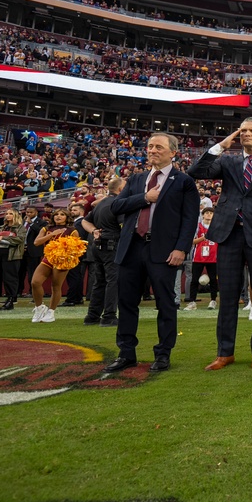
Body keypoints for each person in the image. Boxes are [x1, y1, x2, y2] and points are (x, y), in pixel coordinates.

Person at [188, 117, 252, 371]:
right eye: (242, 131)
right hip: (229, 235)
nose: (246, 134)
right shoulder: (228, 161)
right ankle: (225, 353)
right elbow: (196, 173)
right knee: (228, 295)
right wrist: (220, 146)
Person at [103, 132, 200, 373]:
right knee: (126, 303)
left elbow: (190, 220)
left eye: (158, 147)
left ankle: (163, 353)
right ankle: (126, 353)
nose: (152, 150)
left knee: (166, 304)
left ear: (173, 152)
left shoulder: (184, 181)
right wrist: (144, 198)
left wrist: (181, 248)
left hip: (164, 250)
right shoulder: (136, 180)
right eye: (149, 147)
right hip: (132, 247)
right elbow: (115, 206)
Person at [81, 176, 126, 326]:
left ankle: (92, 316)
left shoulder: (101, 204)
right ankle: (109, 316)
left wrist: (94, 230)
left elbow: (84, 221)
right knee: (113, 280)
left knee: (99, 281)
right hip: (112, 244)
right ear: (120, 190)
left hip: (98, 243)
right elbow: (124, 226)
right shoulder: (118, 204)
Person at [29, 209, 81, 323]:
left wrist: (66, 257)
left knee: (56, 286)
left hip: (62, 261)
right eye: (56, 214)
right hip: (47, 258)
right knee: (35, 282)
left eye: (62, 214)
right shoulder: (46, 229)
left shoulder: (72, 231)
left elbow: (77, 248)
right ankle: (39, 308)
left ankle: (51, 312)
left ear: (67, 217)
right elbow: (36, 242)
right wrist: (52, 235)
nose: (58, 216)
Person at [184, 207, 218, 311]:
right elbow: (192, 241)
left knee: (213, 279)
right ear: (202, 215)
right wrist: (203, 238)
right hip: (198, 256)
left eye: (211, 213)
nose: (208, 215)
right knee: (194, 280)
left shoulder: (216, 227)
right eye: (206, 213)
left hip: (213, 257)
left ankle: (213, 300)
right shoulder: (197, 227)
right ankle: (192, 301)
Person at [0, 208, 25, 310]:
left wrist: (3, 238)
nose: (7, 215)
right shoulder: (1, 228)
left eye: (10, 213)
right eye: (6, 213)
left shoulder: (20, 227)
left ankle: (10, 300)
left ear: (15, 215)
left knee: (10, 278)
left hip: (12, 255)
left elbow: (19, 240)